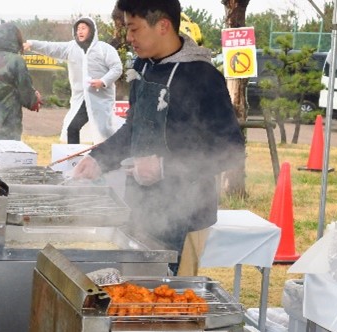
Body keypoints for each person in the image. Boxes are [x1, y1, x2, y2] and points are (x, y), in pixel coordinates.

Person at [72, 0, 245, 276]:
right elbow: (134, 128)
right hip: (139, 209)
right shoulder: (143, 67)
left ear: (163, 25)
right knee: (134, 293)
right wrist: (100, 159)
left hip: (186, 217)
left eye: (134, 29)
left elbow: (230, 149)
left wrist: (164, 168)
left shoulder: (203, 76)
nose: (129, 38)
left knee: (167, 301)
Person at [23, 17, 123, 144]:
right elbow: (51, 47)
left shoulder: (105, 49)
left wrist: (102, 81)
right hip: (81, 99)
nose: (80, 31)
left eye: (83, 28)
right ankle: (73, 160)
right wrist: (32, 44)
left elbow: (117, 68)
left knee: (104, 131)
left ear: (91, 30)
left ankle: (112, 157)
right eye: (78, 29)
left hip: (100, 99)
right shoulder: (71, 48)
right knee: (72, 127)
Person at [0, 22, 42, 140]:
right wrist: (34, 99)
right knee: (9, 153)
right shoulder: (16, 60)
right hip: (8, 120)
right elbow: (25, 90)